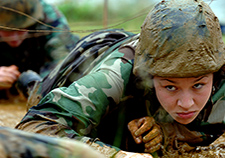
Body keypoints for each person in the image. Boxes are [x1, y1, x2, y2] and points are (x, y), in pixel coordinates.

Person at [12, 0, 225, 157]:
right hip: (83, 63)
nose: (187, 103)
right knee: (37, 92)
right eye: (170, 87)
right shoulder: (117, 72)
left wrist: (163, 130)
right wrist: (117, 156)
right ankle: (25, 78)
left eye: (198, 84)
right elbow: (36, 126)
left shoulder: (220, 70)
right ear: (148, 74)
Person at [0, 0, 79, 99]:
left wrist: (38, 85)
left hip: (39, 69)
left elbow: (62, 61)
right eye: (8, 31)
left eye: (21, 30)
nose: (15, 37)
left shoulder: (49, 16)